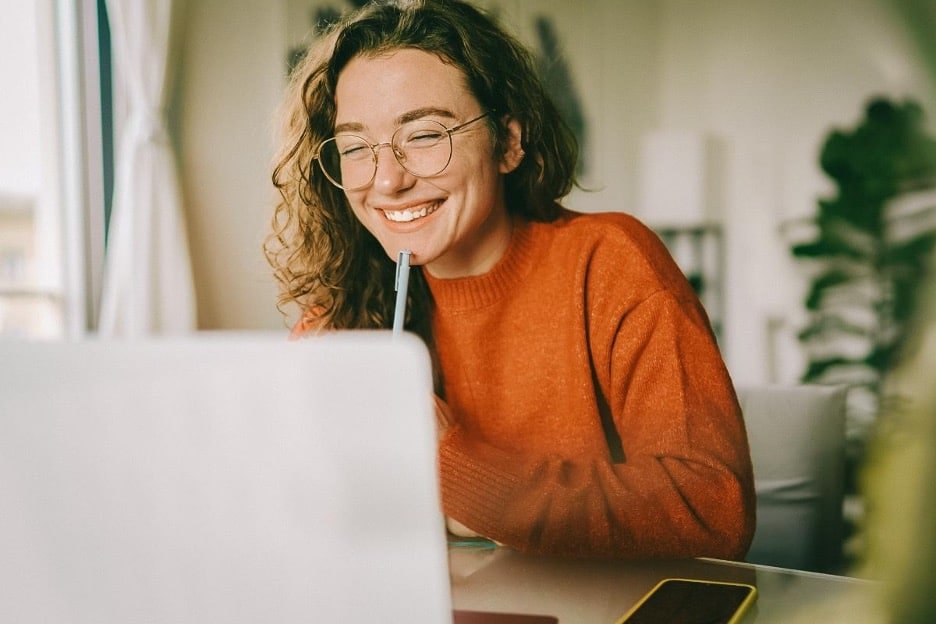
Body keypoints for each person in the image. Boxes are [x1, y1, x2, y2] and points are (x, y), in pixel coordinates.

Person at [266, 0, 755, 560]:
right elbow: (293, 516)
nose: (388, 179)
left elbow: (713, 510)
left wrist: (452, 467)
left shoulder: (610, 262)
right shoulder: (342, 316)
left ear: (508, 142)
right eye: (356, 148)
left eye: (425, 135)